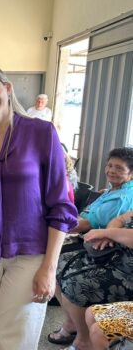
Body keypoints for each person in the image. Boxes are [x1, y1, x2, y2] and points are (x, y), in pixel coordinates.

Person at [0, 62, 78, 349]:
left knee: (11, 340)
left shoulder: (42, 132)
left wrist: (49, 267)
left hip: (30, 254)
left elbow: (60, 204)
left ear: (7, 88)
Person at [48, 147, 133, 346]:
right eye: (110, 165)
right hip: (111, 251)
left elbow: (86, 225)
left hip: (122, 265)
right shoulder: (113, 190)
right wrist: (111, 231)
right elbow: (121, 219)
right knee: (58, 267)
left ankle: (82, 339)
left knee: (73, 280)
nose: (111, 170)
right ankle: (73, 325)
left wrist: (108, 233)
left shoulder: (122, 196)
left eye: (119, 168)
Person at [55, 210, 133, 350]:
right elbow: (120, 219)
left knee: (76, 284)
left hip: (128, 274)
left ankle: (84, 342)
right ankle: (77, 331)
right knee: (92, 313)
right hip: (116, 257)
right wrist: (109, 235)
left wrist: (107, 233)